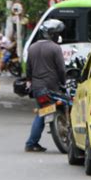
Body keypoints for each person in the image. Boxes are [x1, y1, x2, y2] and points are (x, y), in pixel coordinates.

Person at [25, 19, 67, 152]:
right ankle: (31, 143)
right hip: (51, 87)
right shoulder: (55, 48)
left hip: (37, 88)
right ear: (52, 34)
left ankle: (32, 142)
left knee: (43, 112)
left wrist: (30, 81)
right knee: (44, 113)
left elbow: (28, 69)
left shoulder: (32, 47)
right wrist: (63, 83)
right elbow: (61, 69)